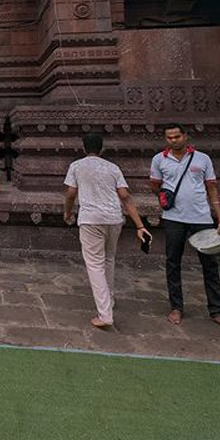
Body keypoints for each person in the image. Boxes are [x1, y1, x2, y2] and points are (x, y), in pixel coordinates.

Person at [150, 123, 220, 331]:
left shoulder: (202, 159)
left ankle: (217, 311)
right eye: (169, 137)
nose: (174, 140)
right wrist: (166, 198)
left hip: (202, 218)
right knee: (173, 263)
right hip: (173, 218)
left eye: (177, 136)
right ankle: (176, 307)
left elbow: (212, 190)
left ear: (186, 136)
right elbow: (155, 185)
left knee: (210, 265)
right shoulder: (159, 159)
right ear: (166, 139)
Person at [63, 132, 152, 329]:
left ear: (83, 148)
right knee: (109, 259)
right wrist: (140, 225)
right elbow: (125, 196)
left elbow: (70, 193)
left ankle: (105, 314)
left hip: (91, 219)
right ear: (102, 149)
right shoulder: (112, 168)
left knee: (94, 264)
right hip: (114, 218)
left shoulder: (77, 166)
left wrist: (68, 212)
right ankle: (109, 301)